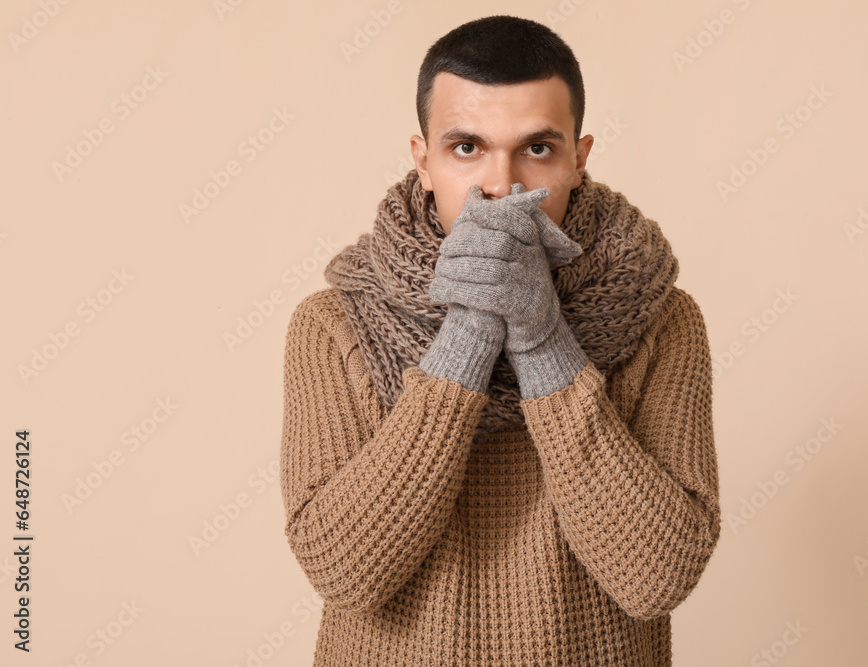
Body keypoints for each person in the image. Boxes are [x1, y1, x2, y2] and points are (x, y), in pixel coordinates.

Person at [279, 14, 721, 666]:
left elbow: (658, 576)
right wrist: (470, 328)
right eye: (466, 148)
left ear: (579, 159)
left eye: (537, 149)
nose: (501, 184)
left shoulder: (661, 319)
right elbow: (346, 572)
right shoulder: (335, 322)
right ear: (422, 160)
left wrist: (543, 338)